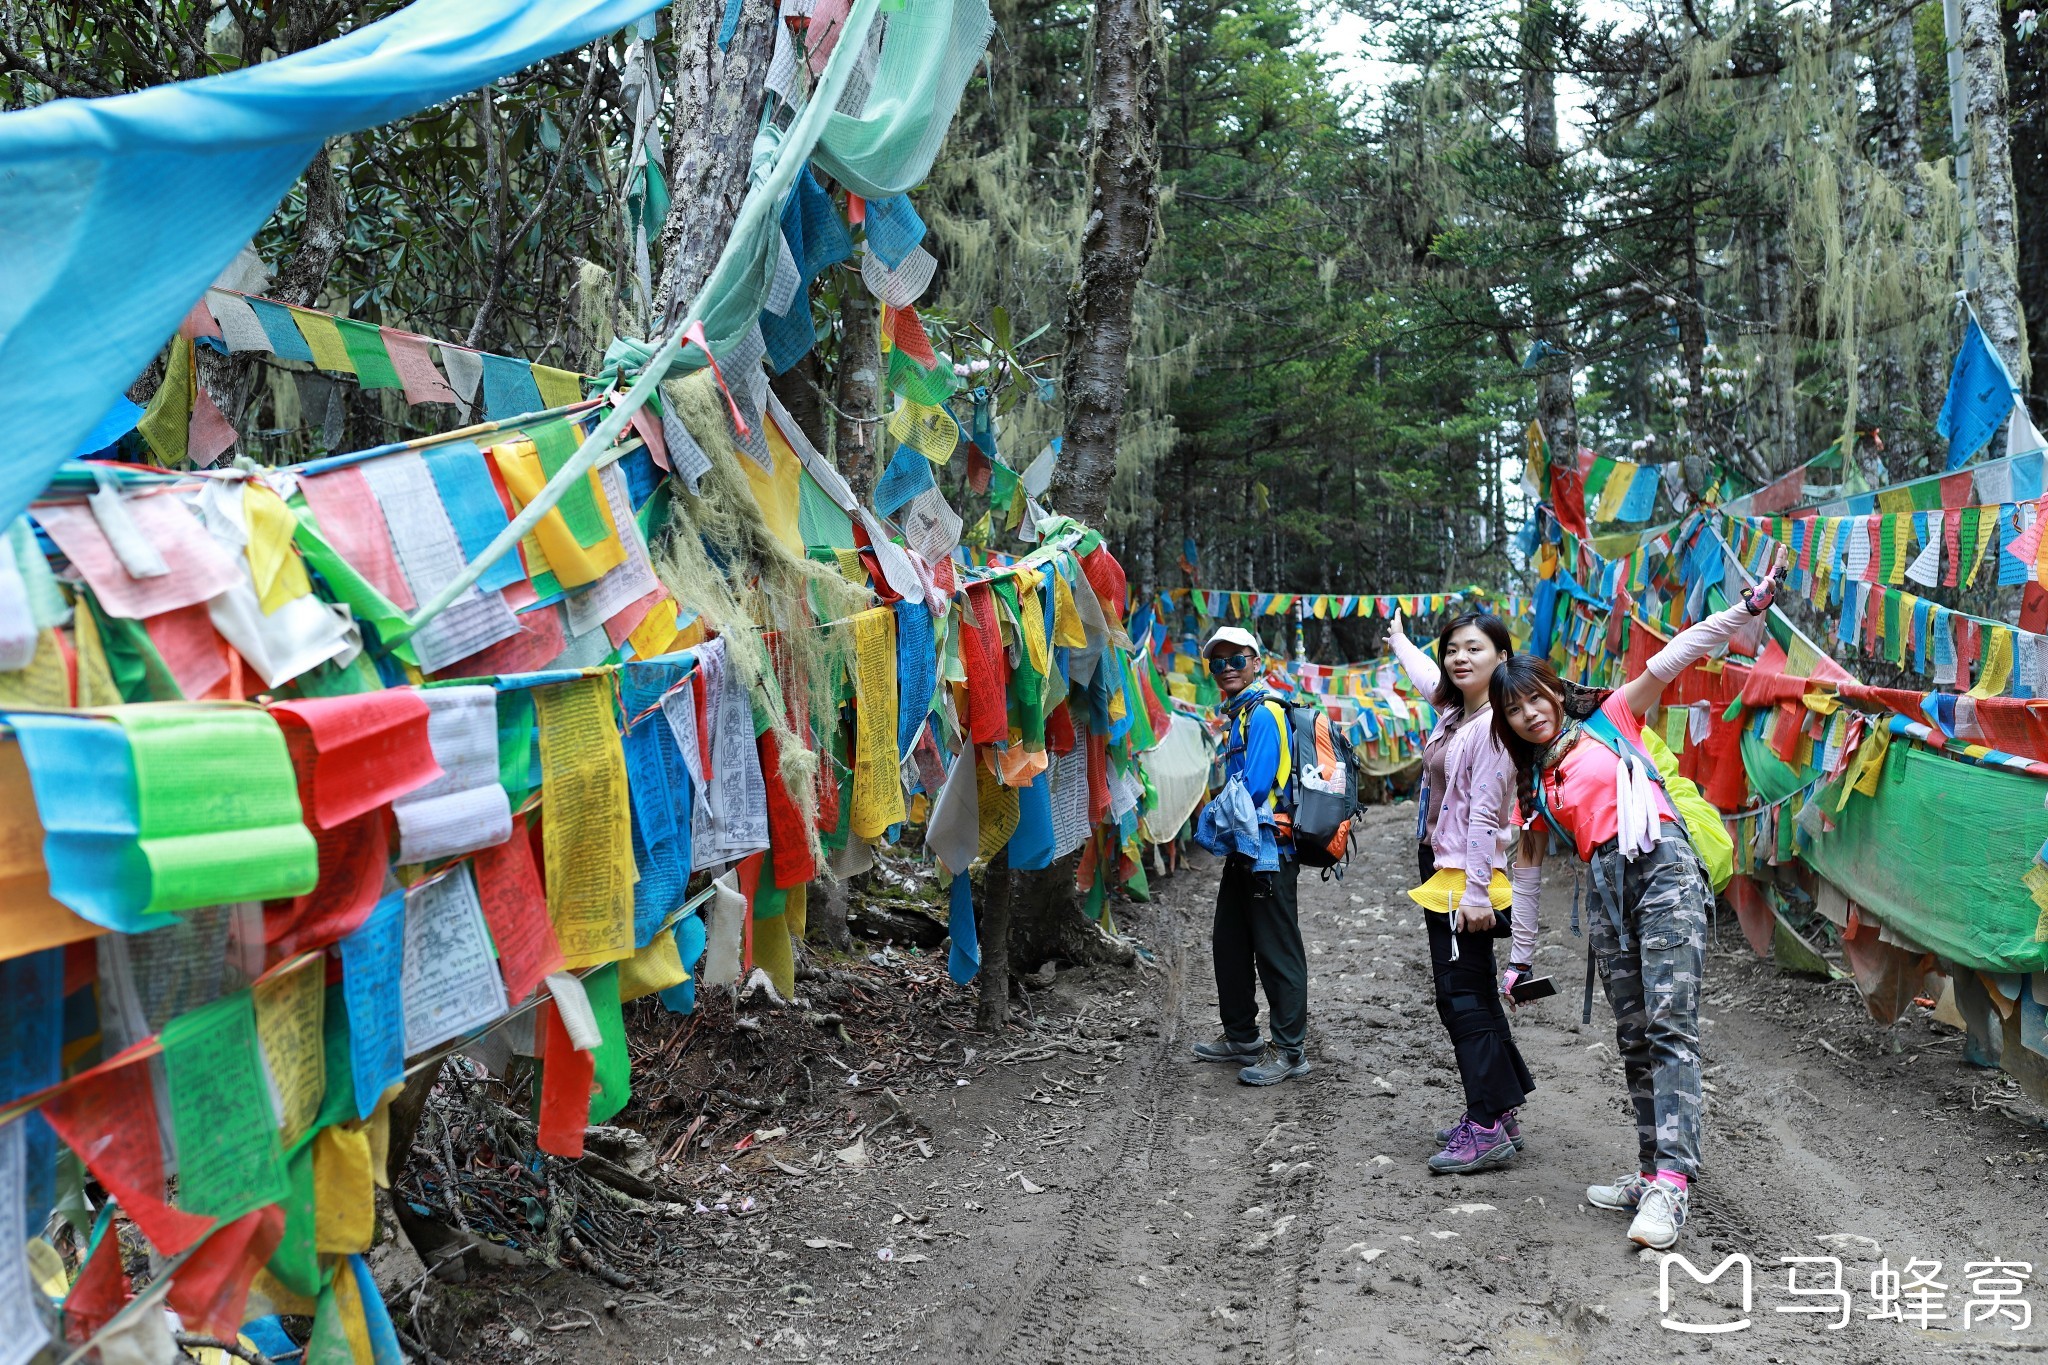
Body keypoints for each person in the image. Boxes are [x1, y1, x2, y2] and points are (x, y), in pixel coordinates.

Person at [1488, 570, 1781, 1250]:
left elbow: (1675, 654)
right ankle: (1651, 1170)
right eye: (1516, 709)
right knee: (1634, 1035)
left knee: (1671, 1026)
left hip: (1663, 869)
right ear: (1507, 723)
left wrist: (1744, 610)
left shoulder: (1610, 717)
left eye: (1538, 697)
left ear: (1555, 692)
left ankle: (1673, 1186)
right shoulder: (1533, 783)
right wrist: (1520, 958)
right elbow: (1526, 874)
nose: (1532, 712)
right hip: (1607, 890)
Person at [1388, 610, 1536, 1174]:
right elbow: (1429, 679)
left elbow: (1481, 818)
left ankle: (1485, 1124)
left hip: (1463, 875)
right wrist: (1401, 641)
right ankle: (1500, 1111)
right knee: (1467, 987)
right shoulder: (1456, 712)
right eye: (1452, 648)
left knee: (1462, 996)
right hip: (1447, 864)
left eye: (1474, 648)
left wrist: (1475, 893)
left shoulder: (1491, 728)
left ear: (1502, 657)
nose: (1459, 658)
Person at [1190, 626, 1311, 1086]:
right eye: (1217, 663)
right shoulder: (1237, 715)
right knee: (1230, 943)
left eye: (1235, 660)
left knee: (1277, 951)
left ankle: (1290, 1050)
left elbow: (1255, 787)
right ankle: (1242, 1036)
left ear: (1256, 662)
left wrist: (1207, 821)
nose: (1226, 670)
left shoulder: (1263, 715)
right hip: (1245, 849)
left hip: (1270, 853)